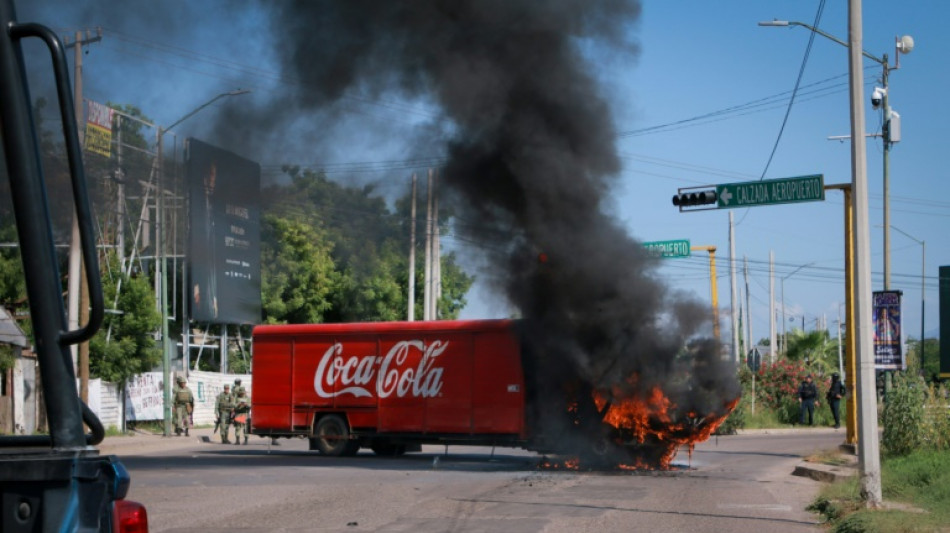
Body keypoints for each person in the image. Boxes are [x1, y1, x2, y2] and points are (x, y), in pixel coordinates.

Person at [192, 162, 219, 319]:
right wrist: (197, 289)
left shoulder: (216, 206)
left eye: (213, 176)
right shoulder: (197, 205)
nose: (211, 181)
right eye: (209, 176)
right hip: (201, 276)